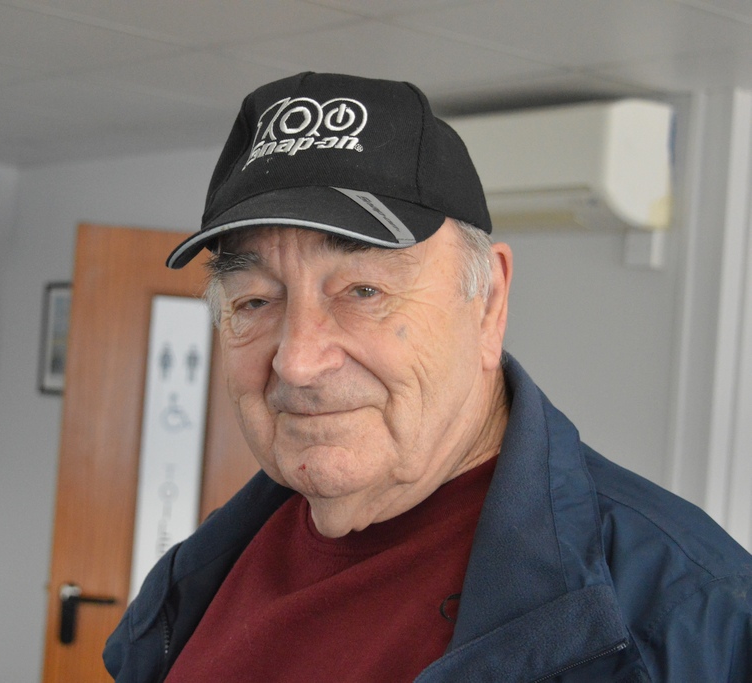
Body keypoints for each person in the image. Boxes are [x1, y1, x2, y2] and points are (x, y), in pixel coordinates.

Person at [103, 72, 752, 682]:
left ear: (489, 302)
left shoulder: (686, 615)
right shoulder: (197, 577)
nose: (296, 361)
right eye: (253, 301)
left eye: (363, 290)